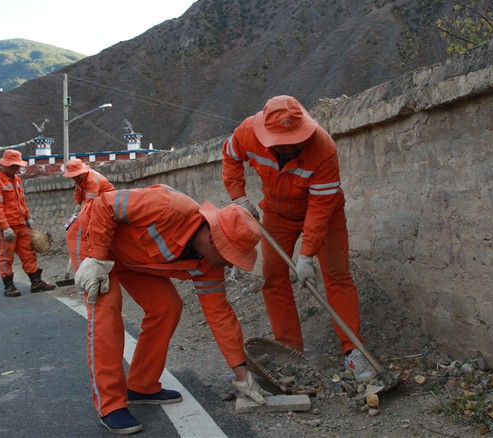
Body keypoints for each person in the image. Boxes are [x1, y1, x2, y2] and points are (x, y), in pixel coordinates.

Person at [73, 185, 269, 435]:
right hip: (94, 240)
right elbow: (105, 205)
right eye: (230, 256)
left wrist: (243, 376)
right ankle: (110, 405)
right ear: (213, 240)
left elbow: (219, 314)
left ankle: (141, 386)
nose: (231, 264)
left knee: (167, 307)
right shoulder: (167, 206)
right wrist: (99, 258)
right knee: (106, 314)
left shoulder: (210, 265)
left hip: (131, 259)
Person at [221, 95, 376, 382]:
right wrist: (238, 196)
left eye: (294, 139)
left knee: (337, 275)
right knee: (273, 276)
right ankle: (289, 350)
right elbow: (230, 156)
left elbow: (319, 210)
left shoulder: (323, 148)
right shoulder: (247, 132)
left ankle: (353, 350)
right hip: (277, 213)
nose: (289, 145)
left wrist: (306, 256)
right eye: (281, 140)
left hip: (325, 213)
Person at [0, 149, 55, 297]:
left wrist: (27, 217)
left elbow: (21, 201)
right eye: (15, 166)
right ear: (6, 165)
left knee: (28, 253)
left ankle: (36, 282)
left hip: (20, 224)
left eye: (18, 166)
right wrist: (5, 227)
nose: (17, 169)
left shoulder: (17, 180)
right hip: (7, 227)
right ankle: (9, 286)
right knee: (6, 257)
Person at [62, 159, 115, 270]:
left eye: (76, 175)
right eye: (72, 176)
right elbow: (78, 193)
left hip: (106, 205)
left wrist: (81, 213)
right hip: (95, 205)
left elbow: (90, 203)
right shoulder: (78, 179)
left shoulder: (92, 180)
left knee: (84, 229)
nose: (74, 178)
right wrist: (77, 205)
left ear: (82, 172)